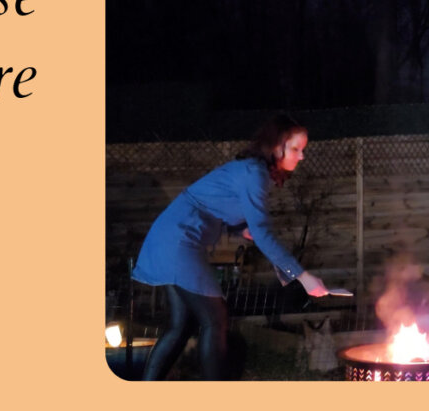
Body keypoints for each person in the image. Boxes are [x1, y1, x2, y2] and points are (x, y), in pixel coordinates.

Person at [131, 114, 328, 380]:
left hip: (171, 237)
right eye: (296, 148)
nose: (301, 156)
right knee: (215, 319)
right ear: (276, 146)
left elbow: (216, 206)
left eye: (302, 149)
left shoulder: (253, 171)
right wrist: (303, 277)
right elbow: (263, 233)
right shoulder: (254, 174)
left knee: (182, 325)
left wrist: (241, 230)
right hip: (180, 241)